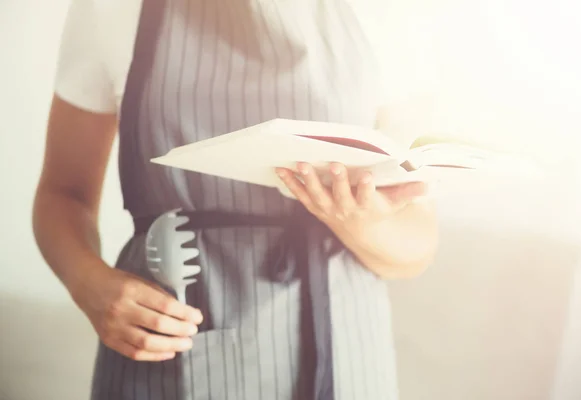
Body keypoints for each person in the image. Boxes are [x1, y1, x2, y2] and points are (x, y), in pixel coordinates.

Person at [32, 0, 439, 399]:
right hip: (169, 347)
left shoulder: (384, 10)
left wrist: (360, 221)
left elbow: (416, 248)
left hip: (347, 351)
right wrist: (86, 282)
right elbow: (64, 193)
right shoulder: (111, 8)